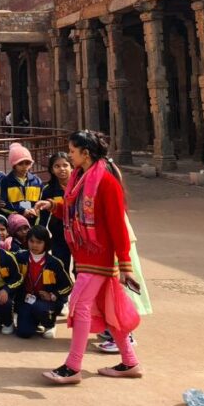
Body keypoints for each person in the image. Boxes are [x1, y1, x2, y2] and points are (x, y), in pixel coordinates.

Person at [36, 129, 143, 384]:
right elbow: (73, 210)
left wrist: (125, 264)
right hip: (87, 254)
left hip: (99, 257)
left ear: (85, 153)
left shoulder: (105, 182)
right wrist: (53, 205)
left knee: (80, 304)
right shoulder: (80, 178)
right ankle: (130, 361)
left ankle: (73, 366)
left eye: (72, 152)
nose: (70, 156)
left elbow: (117, 225)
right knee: (109, 309)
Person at [13, 225, 73, 339]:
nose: (34, 245)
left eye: (39, 242)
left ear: (46, 243)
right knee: (23, 333)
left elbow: (69, 285)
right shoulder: (20, 257)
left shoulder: (54, 262)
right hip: (26, 300)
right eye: (32, 241)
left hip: (47, 302)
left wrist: (53, 295)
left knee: (40, 308)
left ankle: (49, 325)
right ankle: (35, 322)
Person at [2, 143, 42, 218]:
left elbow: (41, 200)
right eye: (20, 163)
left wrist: (34, 209)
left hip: (34, 216)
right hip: (15, 219)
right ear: (14, 165)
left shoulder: (37, 181)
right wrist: (22, 211)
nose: (24, 166)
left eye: (27, 163)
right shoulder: (5, 181)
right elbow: (3, 204)